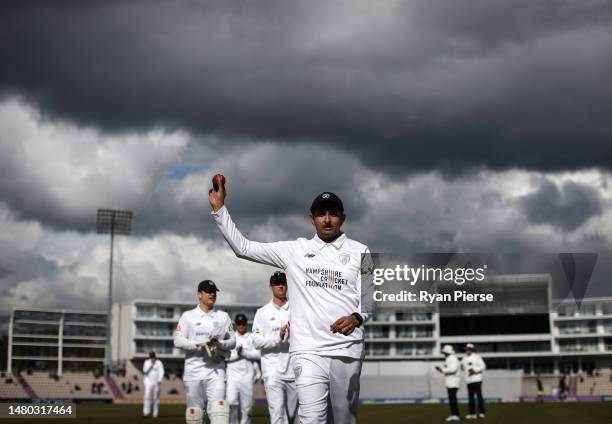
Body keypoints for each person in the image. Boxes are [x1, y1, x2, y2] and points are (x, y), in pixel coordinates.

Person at [210, 181, 371, 424]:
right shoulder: (294, 250)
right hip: (307, 350)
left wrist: (356, 317)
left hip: (347, 349)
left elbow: (371, 296)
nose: (327, 219)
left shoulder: (362, 251)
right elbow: (244, 248)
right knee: (311, 418)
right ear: (311, 219)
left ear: (343, 218)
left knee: (344, 419)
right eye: (321, 214)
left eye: (333, 213)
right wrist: (220, 210)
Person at [174, 279, 236, 423]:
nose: (212, 294)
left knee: (219, 411)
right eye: (208, 292)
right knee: (195, 415)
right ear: (199, 294)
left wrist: (220, 344)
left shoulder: (223, 317)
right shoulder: (187, 316)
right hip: (193, 371)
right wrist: (199, 345)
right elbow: (178, 340)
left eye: (214, 292)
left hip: (216, 371)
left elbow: (233, 341)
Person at [252, 272, 298, 424]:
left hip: (294, 369)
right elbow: (257, 342)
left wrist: (295, 334)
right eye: (277, 283)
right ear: (271, 286)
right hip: (272, 370)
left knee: (294, 415)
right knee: (277, 413)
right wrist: (278, 337)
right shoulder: (262, 312)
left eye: (283, 283)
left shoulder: (297, 309)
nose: (281, 286)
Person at [226, 313, 261, 424]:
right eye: (239, 323)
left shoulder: (252, 337)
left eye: (243, 323)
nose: (241, 326)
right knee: (231, 403)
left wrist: (243, 352)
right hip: (232, 376)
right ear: (236, 324)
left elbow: (258, 354)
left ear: (246, 324)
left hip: (247, 376)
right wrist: (238, 354)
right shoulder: (231, 338)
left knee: (247, 407)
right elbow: (226, 357)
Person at [435, 345, 460, 422]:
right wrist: (441, 370)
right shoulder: (449, 359)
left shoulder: (452, 358)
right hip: (450, 382)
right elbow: (448, 369)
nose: (443, 354)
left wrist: (442, 370)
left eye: (444, 352)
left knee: (453, 399)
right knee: (451, 399)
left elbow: (453, 369)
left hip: (453, 382)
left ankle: (456, 415)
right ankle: (453, 415)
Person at [461, 343, 486, 419]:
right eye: (466, 349)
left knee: (479, 396)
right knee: (470, 397)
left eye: (468, 349)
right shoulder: (464, 358)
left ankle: (481, 413)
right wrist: (462, 367)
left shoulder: (477, 357)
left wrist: (474, 370)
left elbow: (483, 366)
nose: (466, 350)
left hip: (477, 379)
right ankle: (472, 414)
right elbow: (463, 368)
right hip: (469, 380)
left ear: (472, 350)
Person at [143, 351, 165, 418]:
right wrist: (151, 365)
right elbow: (144, 371)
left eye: (153, 357)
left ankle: (155, 413)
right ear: (149, 357)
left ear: (155, 357)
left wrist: (160, 380)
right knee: (147, 397)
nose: (152, 359)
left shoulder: (159, 363)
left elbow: (162, 371)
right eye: (151, 357)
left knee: (156, 398)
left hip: (156, 382)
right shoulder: (146, 362)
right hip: (148, 382)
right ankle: (146, 412)